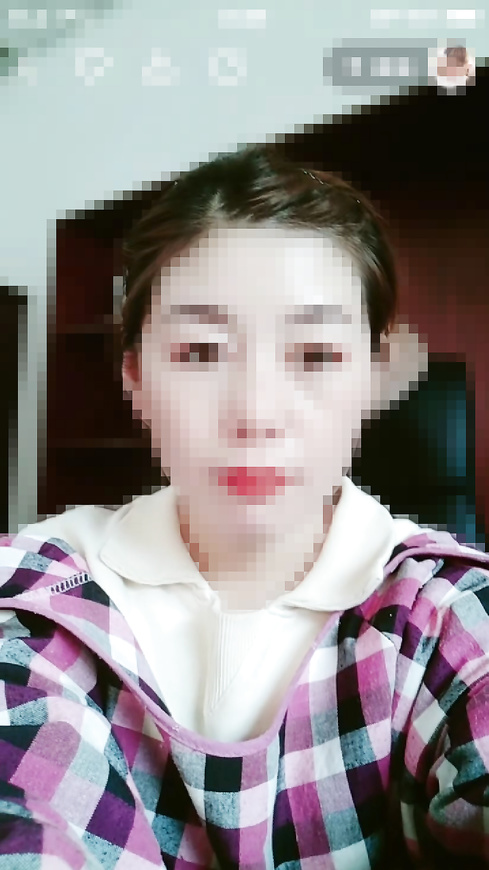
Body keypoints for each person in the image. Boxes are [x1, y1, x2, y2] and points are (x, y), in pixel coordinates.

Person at [1, 145, 489, 869]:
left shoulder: (445, 612)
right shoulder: (40, 594)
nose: (257, 414)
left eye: (315, 356)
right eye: (202, 352)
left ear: (372, 378)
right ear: (135, 379)